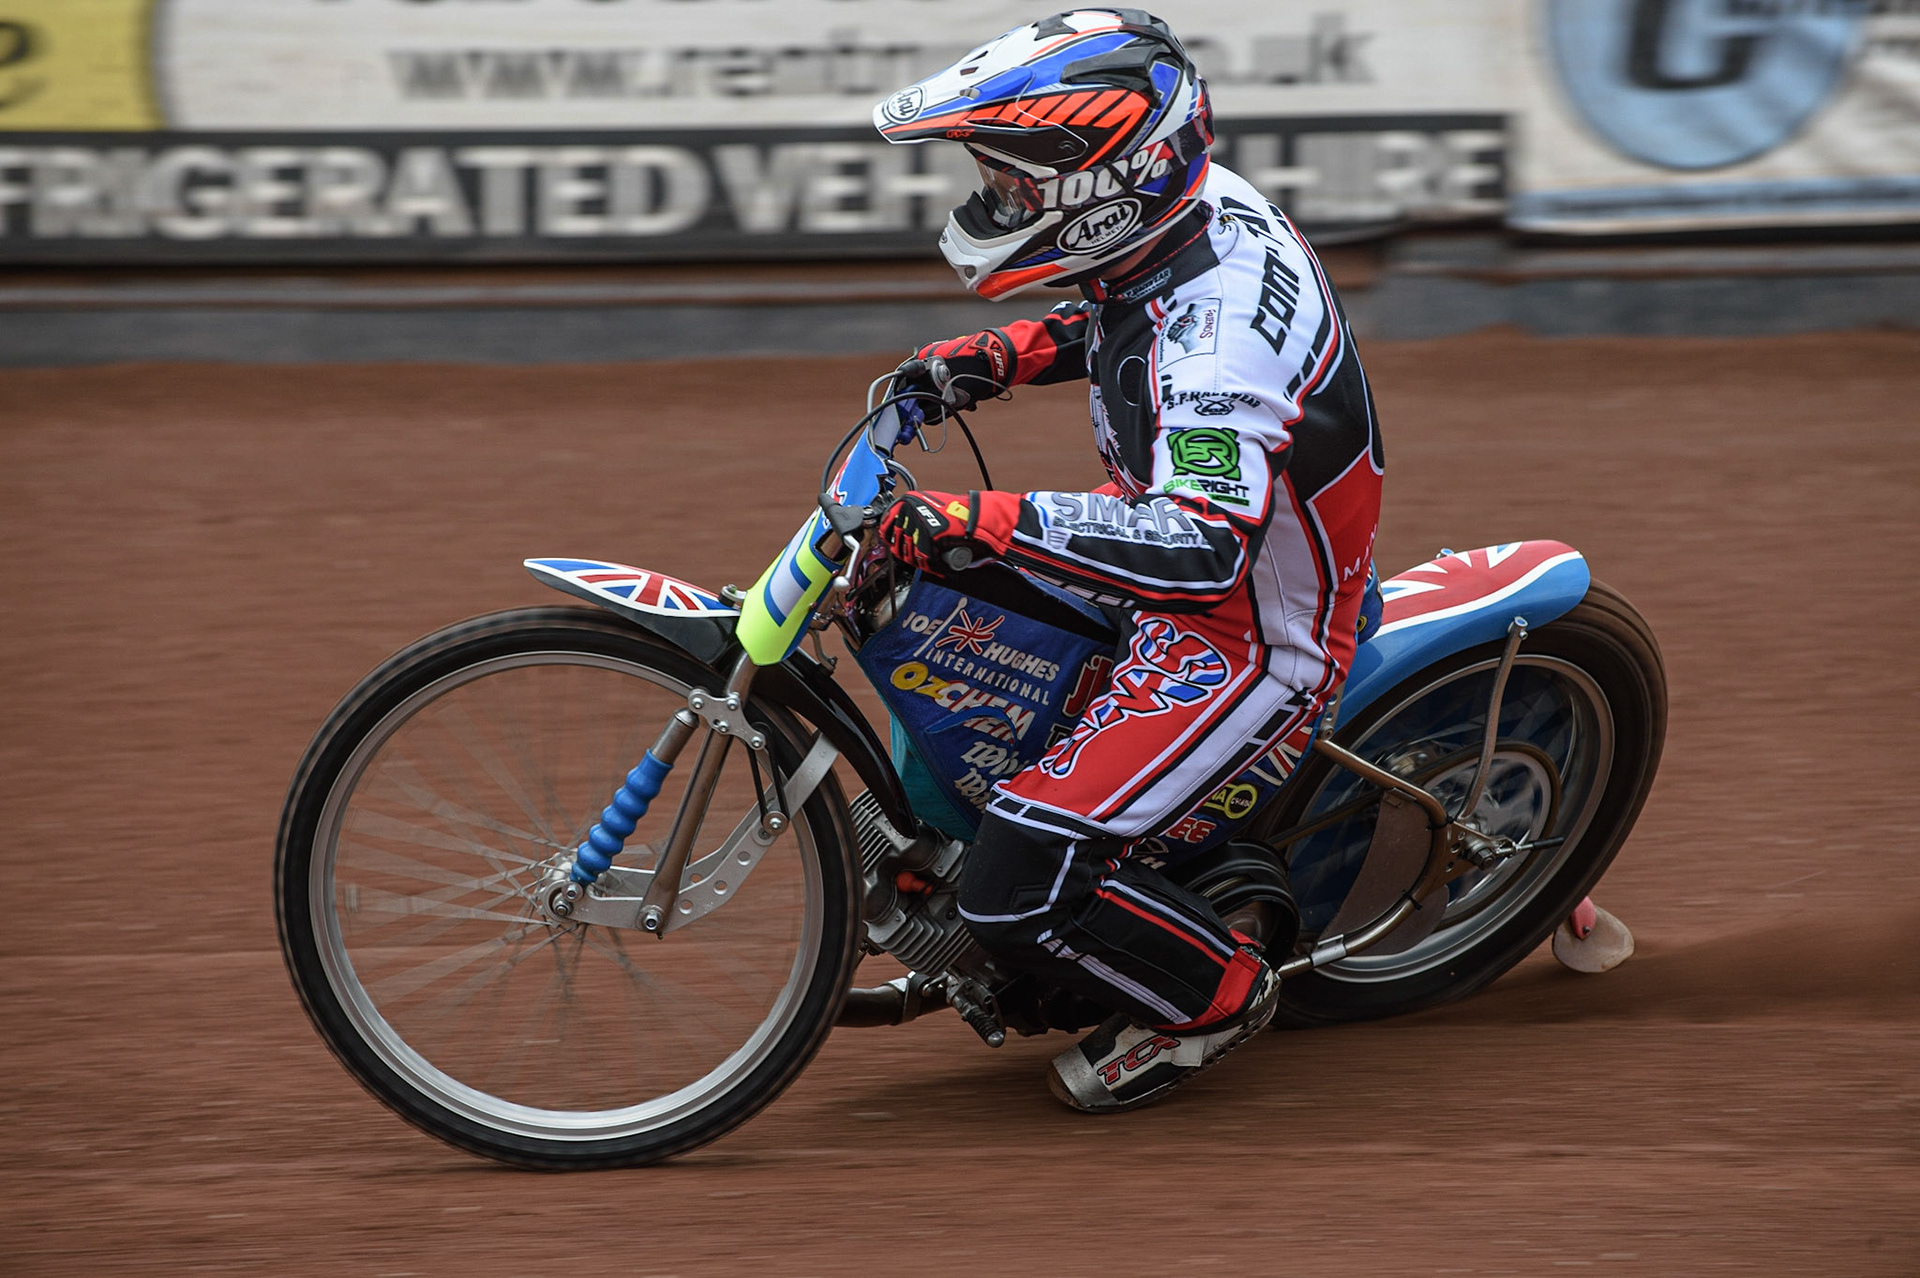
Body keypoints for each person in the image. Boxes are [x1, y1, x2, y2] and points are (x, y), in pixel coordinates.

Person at [869, 8, 1384, 1113]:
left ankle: (1214, 999)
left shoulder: (1224, 334)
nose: (993, 201)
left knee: (1018, 889)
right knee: (918, 602)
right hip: (1167, 546)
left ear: (1103, 184)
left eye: (1013, 184)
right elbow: (1124, 317)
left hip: (1250, 637)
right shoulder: (1187, 213)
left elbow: (1199, 549)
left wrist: (985, 518)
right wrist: (995, 356)